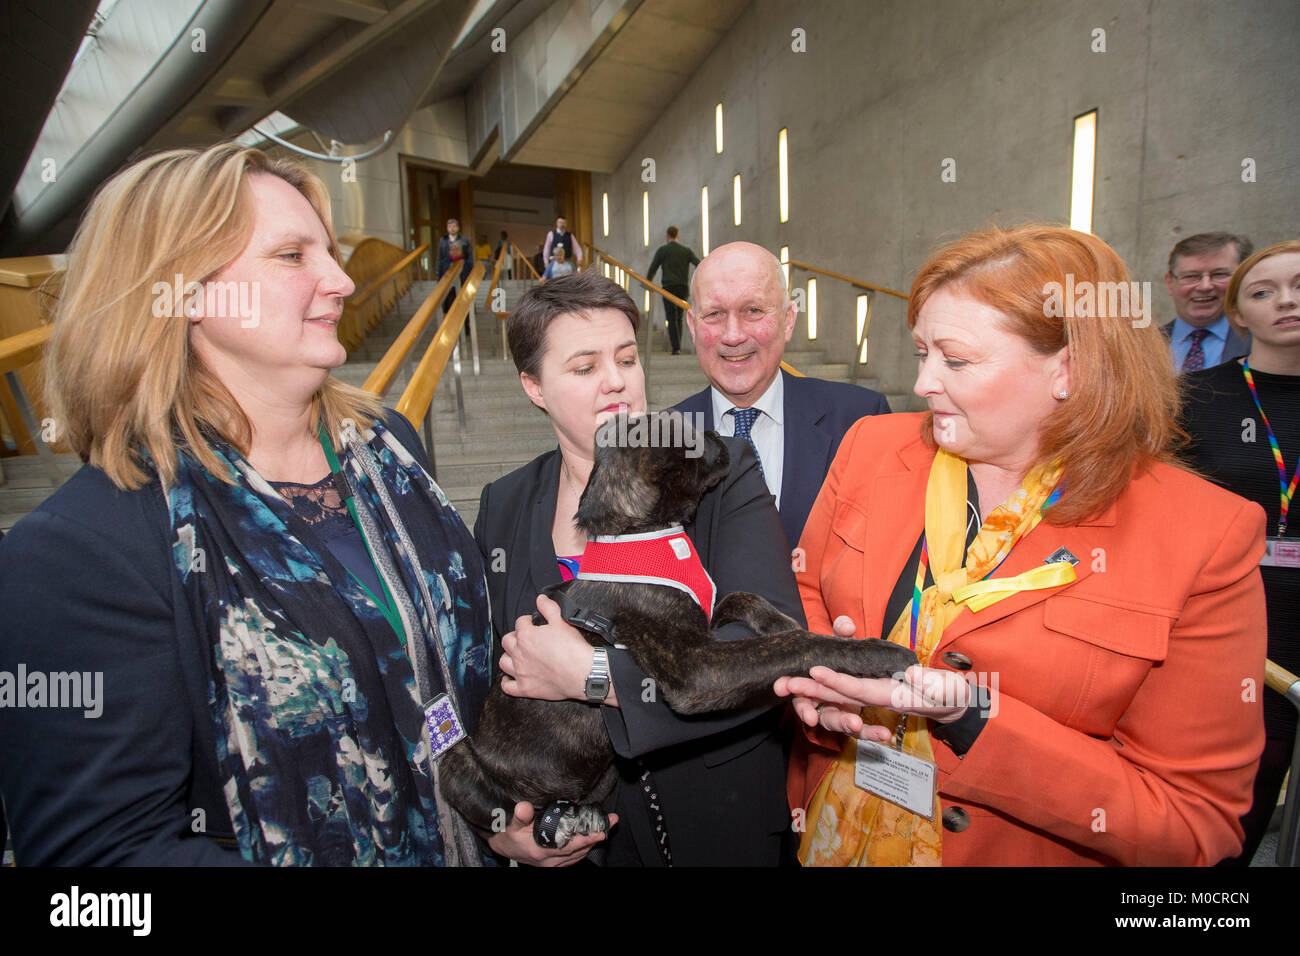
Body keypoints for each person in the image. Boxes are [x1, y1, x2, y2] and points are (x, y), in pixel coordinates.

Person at [0, 143, 517, 866]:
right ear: (179, 290)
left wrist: (500, 810)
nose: (338, 280)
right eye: (291, 256)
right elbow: (93, 877)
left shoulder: (388, 450)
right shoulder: (80, 548)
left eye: (328, 252)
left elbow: (442, 691)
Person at [780, 224, 1267, 866]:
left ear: (1068, 369)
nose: (924, 382)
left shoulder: (1204, 535)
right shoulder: (872, 447)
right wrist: (816, 681)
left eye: (955, 360)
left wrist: (974, 720)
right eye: (921, 351)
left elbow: (1192, 823)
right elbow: (807, 592)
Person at [474, 270, 805, 866]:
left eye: (627, 359)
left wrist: (594, 676)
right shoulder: (504, 503)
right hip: (573, 836)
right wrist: (499, 825)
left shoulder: (714, 470)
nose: (616, 383)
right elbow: (486, 678)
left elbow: (764, 652)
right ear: (533, 386)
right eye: (584, 368)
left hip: (713, 823)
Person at [1181, 239, 1300, 866]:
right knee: (1240, 809)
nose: (1287, 300)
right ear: (1237, 314)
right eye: (1263, 291)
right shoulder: (1199, 399)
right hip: (1237, 618)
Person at [674, 241, 891, 551]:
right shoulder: (660, 441)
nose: (733, 335)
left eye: (753, 311)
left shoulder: (860, 420)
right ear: (693, 327)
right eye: (714, 314)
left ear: (788, 320)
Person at [1161, 232, 1253, 372]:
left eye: (1219, 274)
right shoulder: (1143, 345)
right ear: (1169, 283)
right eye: (1191, 276)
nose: (1205, 286)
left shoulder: (1261, 343)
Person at [646, 226, 699, 355]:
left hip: (668, 288)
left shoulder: (663, 250)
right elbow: (698, 263)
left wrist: (647, 282)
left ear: (667, 235)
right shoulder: (685, 251)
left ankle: (676, 348)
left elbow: (653, 267)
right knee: (680, 317)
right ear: (677, 235)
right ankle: (678, 346)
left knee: (671, 317)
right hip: (682, 287)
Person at [436, 217, 474, 316]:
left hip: (462, 273)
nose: (452, 228)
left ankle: (464, 320)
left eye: (454, 226)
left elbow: (470, 257)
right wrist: (438, 274)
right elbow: (439, 258)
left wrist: (470, 271)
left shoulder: (464, 241)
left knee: (461, 297)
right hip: (447, 273)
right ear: (447, 228)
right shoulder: (442, 241)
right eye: (449, 226)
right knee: (448, 297)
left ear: (457, 228)